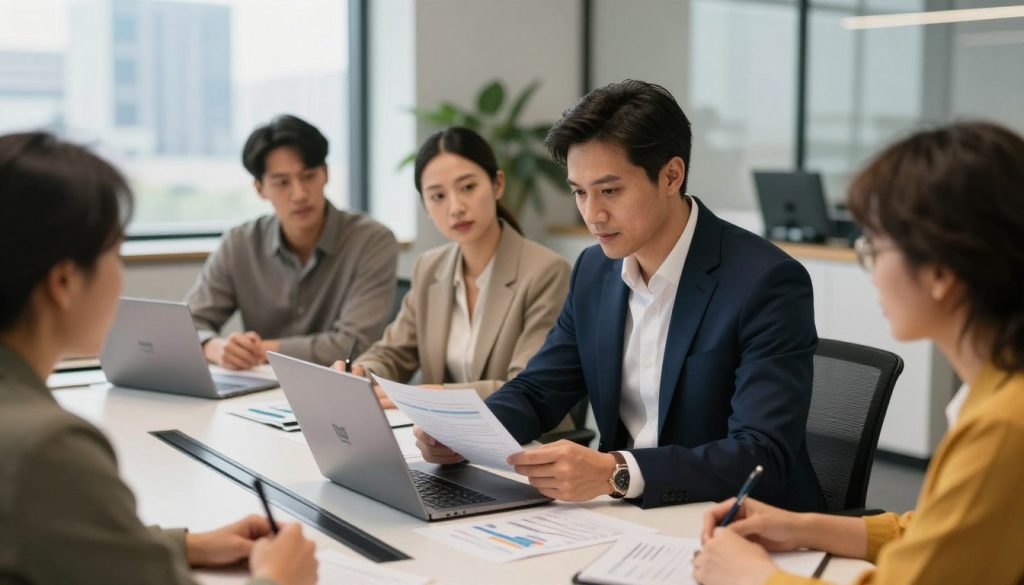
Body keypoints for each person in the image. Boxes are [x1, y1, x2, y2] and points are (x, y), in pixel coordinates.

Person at [415, 80, 825, 511]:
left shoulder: (765, 282)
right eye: (579, 192)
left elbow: (762, 454)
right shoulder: (595, 270)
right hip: (626, 517)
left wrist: (615, 471)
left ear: (671, 176)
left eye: (609, 190)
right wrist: (464, 434)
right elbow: (540, 390)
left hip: (736, 521)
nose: (593, 214)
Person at [693, 122, 1024, 585]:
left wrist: (753, 577)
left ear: (940, 273)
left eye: (875, 247)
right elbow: (938, 532)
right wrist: (799, 526)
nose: (869, 269)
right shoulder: (999, 393)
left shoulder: (1003, 427)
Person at [0, 132, 318, 584]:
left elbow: (40, 535)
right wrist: (280, 579)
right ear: (64, 281)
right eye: (116, 253)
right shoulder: (50, 449)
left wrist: (184, 545)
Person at [338, 128, 571, 429]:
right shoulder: (430, 268)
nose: (456, 207)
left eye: (468, 187)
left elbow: (527, 386)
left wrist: (433, 397)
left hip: (527, 442)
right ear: (425, 206)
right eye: (438, 196)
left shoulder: (546, 271)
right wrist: (360, 372)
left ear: (497, 184)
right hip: (446, 443)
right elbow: (393, 352)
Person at [187, 114, 399, 368]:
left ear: (326, 174)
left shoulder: (372, 240)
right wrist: (214, 347)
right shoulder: (240, 243)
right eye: (282, 182)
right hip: (259, 392)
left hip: (337, 389)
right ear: (260, 188)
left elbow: (355, 343)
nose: (299, 194)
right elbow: (189, 323)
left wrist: (262, 350)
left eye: (308, 176)